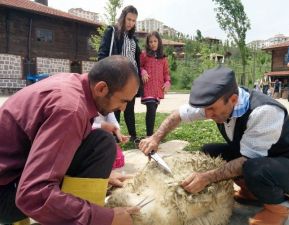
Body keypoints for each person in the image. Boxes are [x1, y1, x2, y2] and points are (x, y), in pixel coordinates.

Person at [139, 66, 289, 225]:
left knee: (254, 169)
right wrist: (155, 138)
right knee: (210, 152)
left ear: (233, 100)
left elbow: (244, 162)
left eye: (212, 109)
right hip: (264, 158)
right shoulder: (217, 102)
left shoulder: (264, 111)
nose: (207, 115)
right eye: (205, 109)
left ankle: (277, 209)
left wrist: (206, 177)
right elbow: (178, 115)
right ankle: (251, 193)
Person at [0, 56, 140, 225]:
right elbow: (32, 194)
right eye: (123, 101)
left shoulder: (74, 85)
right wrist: (105, 218)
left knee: (99, 143)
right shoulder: (70, 109)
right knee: (103, 145)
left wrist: (100, 177)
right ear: (102, 88)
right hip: (6, 193)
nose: (123, 108)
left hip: (14, 173)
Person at [98, 5, 142, 142]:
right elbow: (102, 53)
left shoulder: (133, 38)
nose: (130, 23)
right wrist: (105, 73)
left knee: (129, 108)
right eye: (128, 19)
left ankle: (133, 136)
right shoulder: (112, 32)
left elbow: (136, 59)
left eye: (134, 21)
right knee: (115, 107)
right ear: (123, 17)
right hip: (117, 76)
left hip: (131, 78)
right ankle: (114, 136)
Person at [140, 31, 171, 136]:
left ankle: (150, 134)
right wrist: (143, 72)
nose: (153, 43)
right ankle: (149, 135)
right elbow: (139, 66)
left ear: (159, 42)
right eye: (150, 42)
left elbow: (166, 73)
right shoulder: (144, 55)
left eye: (155, 41)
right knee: (151, 109)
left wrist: (167, 82)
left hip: (158, 89)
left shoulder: (163, 58)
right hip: (148, 87)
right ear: (148, 43)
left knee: (153, 111)